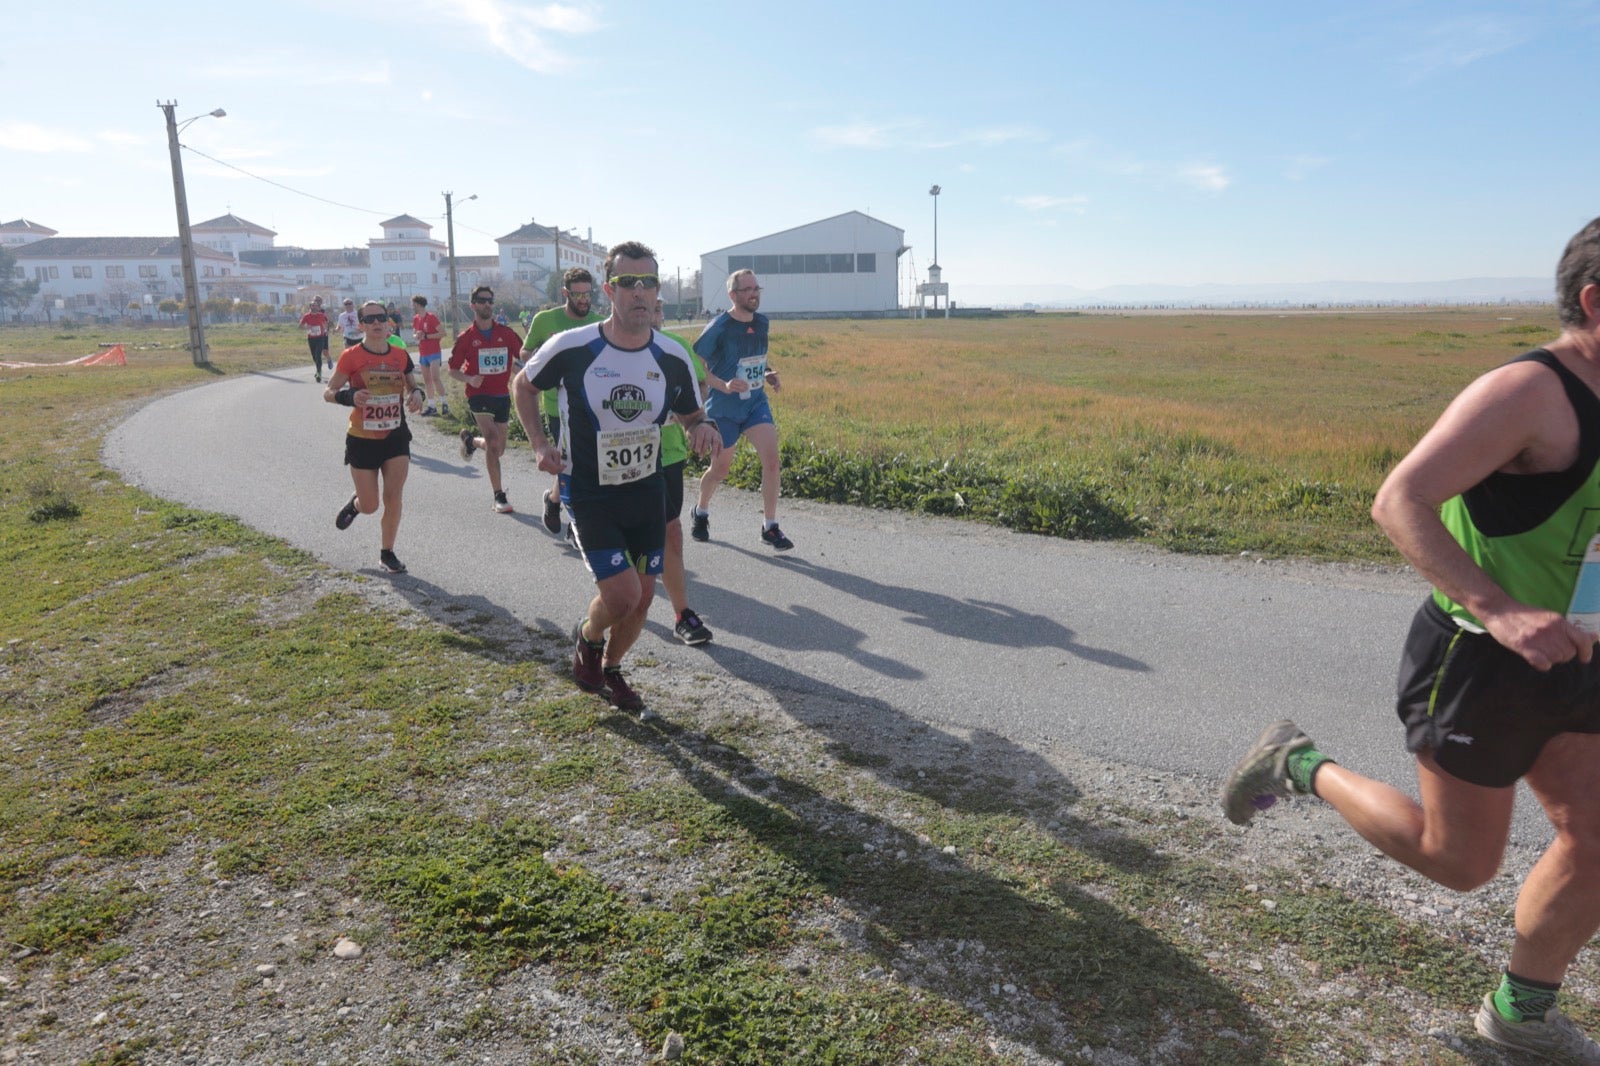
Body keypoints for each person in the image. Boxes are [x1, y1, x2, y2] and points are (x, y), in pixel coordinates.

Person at [1222, 216, 1600, 1061]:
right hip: (1480, 658)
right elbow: (1401, 500)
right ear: (1594, 302)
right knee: (1460, 861)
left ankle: (1520, 1015)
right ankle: (1297, 764)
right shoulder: (1529, 394)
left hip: (1582, 657)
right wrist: (1503, 611)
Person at [511, 241, 720, 713]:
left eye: (648, 282)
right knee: (622, 594)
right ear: (610, 290)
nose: (639, 292)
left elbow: (691, 416)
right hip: (589, 491)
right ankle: (587, 637)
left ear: (657, 290)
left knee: (644, 597)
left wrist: (702, 429)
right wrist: (540, 445)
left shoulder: (671, 355)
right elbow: (522, 383)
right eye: (629, 283)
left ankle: (611, 668)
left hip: (646, 488)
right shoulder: (573, 346)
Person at [689, 268, 792, 551]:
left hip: (755, 403)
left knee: (772, 461)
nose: (754, 294)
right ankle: (701, 511)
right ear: (733, 295)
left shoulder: (762, 323)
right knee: (720, 469)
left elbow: (755, 356)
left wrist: (767, 372)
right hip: (724, 408)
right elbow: (696, 365)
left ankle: (770, 526)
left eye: (756, 288)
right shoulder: (719, 326)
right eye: (747, 290)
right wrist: (722, 385)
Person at [324, 299, 425, 574]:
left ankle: (387, 552)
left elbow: (413, 385)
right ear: (361, 325)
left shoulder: (400, 355)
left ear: (388, 321)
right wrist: (349, 396)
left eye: (381, 317)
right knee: (371, 505)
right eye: (369, 320)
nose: (377, 323)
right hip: (362, 437)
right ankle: (357, 503)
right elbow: (328, 393)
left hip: (395, 436)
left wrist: (417, 394)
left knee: (393, 497)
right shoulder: (351, 356)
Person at [523, 267, 606, 537]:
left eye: (587, 294)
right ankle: (576, 523)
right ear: (565, 293)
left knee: (585, 464)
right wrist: (541, 356)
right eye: (577, 294)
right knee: (570, 464)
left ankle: (556, 502)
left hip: (592, 406)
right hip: (556, 405)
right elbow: (525, 351)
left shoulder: (599, 322)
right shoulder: (545, 320)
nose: (583, 299)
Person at [654, 297, 714, 645]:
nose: (654, 315)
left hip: (669, 452)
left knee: (671, 530)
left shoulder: (675, 347)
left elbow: (701, 382)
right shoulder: (607, 348)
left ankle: (682, 615)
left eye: (659, 309)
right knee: (642, 538)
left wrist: (690, 414)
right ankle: (622, 598)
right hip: (620, 460)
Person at [449, 285, 522, 514]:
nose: (487, 304)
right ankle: (499, 496)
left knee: (498, 449)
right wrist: (469, 379)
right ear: (473, 305)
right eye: (481, 301)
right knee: (492, 441)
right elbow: (452, 369)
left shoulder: (507, 333)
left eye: (490, 300)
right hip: (478, 395)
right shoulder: (466, 338)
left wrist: (522, 372)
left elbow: (524, 356)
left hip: (502, 394)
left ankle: (471, 442)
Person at [411, 294, 447, 416]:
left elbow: (443, 333)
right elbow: (414, 334)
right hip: (423, 352)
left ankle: (444, 403)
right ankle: (432, 405)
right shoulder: (416, 318)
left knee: (435, 378)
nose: (413, 307)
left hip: (434, 352)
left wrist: (426, 336)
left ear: (419, 304)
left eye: (414, 304)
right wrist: (418, 335)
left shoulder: (431, 317)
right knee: (427, 380)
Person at [298, 296, 331, 383]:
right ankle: (318, 368)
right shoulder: (306, 316)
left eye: (315, 305)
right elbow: (300, 326)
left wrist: (326, 330)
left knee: (318, 354)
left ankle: (319, 372)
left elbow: (326, 323)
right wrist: (306, 327)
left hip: (320, 338)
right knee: (314, 356)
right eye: (312, 306)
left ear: (318, 307)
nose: (314, 307)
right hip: (311, 338)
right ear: (310, 307)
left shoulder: (321, 315)